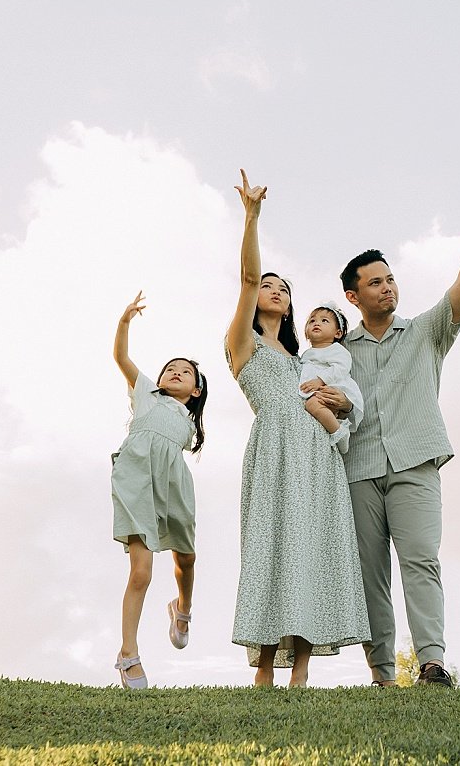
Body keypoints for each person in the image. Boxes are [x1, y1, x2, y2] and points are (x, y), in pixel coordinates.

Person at [340, 178, 460, 687]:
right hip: (358, 470)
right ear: (353, 295)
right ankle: (383, 674)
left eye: (391, 279)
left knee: (421, 562)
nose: (388, 287)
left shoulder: (428, 331)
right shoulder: (339, 351)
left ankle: (431, 663)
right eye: (375, 282)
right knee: (371, 577)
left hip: (415, 463)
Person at [226, 170, 369, 687]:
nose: (276, 290)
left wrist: (338, 407)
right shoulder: (243, 342)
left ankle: (301, 673)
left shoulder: (304, 356)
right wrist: (251, 216)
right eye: (270, 284)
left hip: (319, 455)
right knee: (270, 548)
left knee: (314, 548)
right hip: (275, 450)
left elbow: (342, 399)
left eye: (284, 288)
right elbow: (246, 280)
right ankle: (264, 669)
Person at [109, 291, 207, 690]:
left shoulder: (187, 421)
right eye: (171, 369)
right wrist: (124, 322)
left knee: (187, 558)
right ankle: (128, 654)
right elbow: (122, 359)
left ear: (196, 391)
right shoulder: (147, 393)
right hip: (135, 481)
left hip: (173, 486)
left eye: (186, 372)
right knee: (141, 572)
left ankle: (182, 608)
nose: (177, 373)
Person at [297, 303, 364, 455]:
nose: (317, 323)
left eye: (324, 321)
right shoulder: (306, 354)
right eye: (312, 321)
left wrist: (320, 380)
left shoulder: (337, 350)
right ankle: (334, 423)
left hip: (334, 386)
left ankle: (340, 433)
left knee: (313, 405)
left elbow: (341, 368)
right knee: (314, 407)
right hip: (316, 390)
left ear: (338, 333)